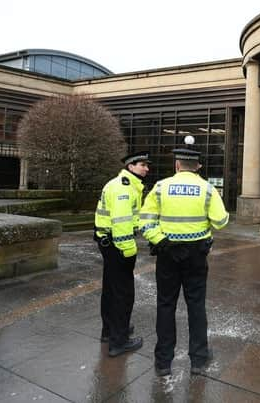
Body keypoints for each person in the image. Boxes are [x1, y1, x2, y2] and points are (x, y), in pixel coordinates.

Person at [140, 146, 229, 377]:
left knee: (166, 305)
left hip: (167, 254)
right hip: (197, 254)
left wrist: (163, 242)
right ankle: (198, 360)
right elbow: (221, 222)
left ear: (177, 165)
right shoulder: (208, 189)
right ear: (198, 166)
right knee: (196, 305)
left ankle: (163, 363)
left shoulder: (160, 187)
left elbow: (146, 222)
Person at [94, 151, 150, 357]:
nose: (146, 168)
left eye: (146, 165)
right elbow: (121, 222)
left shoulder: (126, 184)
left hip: (109, 243)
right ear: (130, 167)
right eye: (142, 165)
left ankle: (109, 331)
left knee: (111, 289)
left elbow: (132, 218)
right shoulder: (123, 188)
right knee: (123, 294)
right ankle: (119, 341)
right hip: (118, 246)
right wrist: (129, 251)